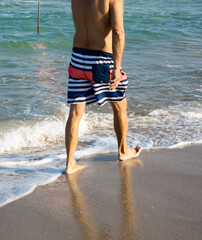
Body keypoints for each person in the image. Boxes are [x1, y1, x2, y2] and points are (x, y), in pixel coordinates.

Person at [65, 0, 142, 174]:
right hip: (101, 60)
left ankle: (70, 163)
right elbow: (118, 31)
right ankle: (123, 150)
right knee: (120, 106)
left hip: (77, 58)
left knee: (75, 113)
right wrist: (116, 68)